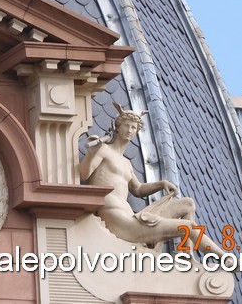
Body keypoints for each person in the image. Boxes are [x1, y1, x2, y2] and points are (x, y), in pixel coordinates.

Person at [78, 103, 228, 258]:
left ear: (137, 131)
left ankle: (185, 254)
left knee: (187, 204)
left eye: (133, 127)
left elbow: (138, 189)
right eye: (126, 126)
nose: (129, 130)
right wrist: (90, 155)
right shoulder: (103, 150)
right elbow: (83, 175)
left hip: (131, 217)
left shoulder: (126, 163)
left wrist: (161, 184)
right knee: (188, 226)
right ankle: (226, 259)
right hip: (119, 221)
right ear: (117, 127)